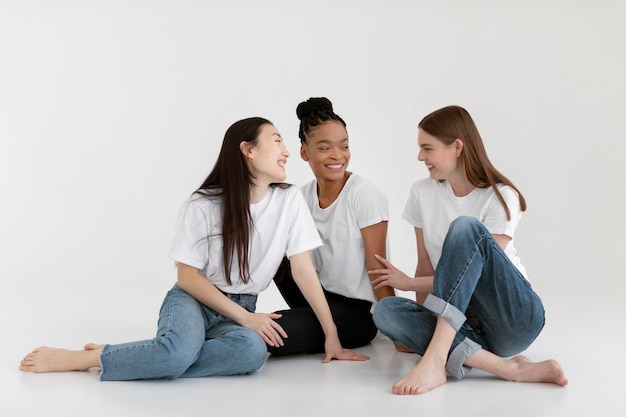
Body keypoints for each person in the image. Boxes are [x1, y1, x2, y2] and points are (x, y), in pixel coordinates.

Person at [19, 117, 368, 380]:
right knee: (175, 355)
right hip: (194, 300)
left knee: (251, 353)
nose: (286, 151)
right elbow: (187, 277)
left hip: (242, 304)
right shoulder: (204, 204)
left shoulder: (289, 200)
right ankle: (86, 359)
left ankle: (154, 355)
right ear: (248, 150)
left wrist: (332, 335)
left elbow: (302, 270)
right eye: (276, 141)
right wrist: (245, 318)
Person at [370, 105, 568, 395]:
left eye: (427, 148)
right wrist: (414, 325)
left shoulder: (500, 197)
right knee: (386, 311)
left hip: (512, 316)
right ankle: (508, 368)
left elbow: (473, 275)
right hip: (462, 320)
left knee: (465, 228)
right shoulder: (422, 193)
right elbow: (425, 265)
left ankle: (437, 358)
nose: (420, 157)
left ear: (457, 147)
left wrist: (409, 285)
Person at [267, 97, 398, 356]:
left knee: (271, 332)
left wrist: (397, 330)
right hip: (318, 298)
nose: (338, 156)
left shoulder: (363, 195)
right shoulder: (300, 197)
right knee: (275, 248)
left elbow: (378, 271)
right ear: (305, 152)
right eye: (325, 148)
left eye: (344, 146)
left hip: (358, 313)